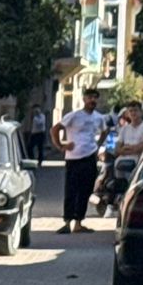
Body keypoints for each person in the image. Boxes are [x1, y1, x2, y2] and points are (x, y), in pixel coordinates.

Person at [55, 87, 108, 233]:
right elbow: (55, 129)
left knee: (85, 190)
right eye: (89, 97)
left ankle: (78, 222)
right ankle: (67, 222)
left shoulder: (99, 117)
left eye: (95, 98)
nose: (92, 100)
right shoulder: (74, 116)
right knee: (71, 189)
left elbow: (105, 130)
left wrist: (97, 145)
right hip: (73, 158)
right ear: (84, 99)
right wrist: (61, 145)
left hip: (89, 156)